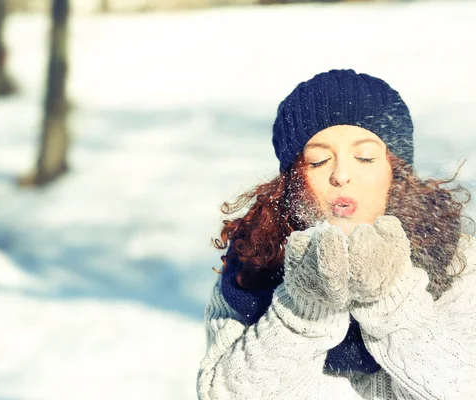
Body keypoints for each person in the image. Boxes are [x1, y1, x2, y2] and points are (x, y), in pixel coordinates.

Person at [197, 69, 476, 399]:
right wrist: (302, 306)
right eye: (317, 161)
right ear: (293, 181)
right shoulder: (251, 267)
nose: (341, 175)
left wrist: (392, 296)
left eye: (365, 157)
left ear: (396, 171)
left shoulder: (454, 259)